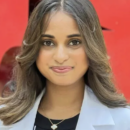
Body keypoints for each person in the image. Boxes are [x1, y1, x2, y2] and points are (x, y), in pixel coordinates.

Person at [0, 0, 130, 130]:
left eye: (74, 42)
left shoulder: (124, 121)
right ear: (34, 49)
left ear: (92, 46)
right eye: (48, 42)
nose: (60, 57)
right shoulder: (4, 120)